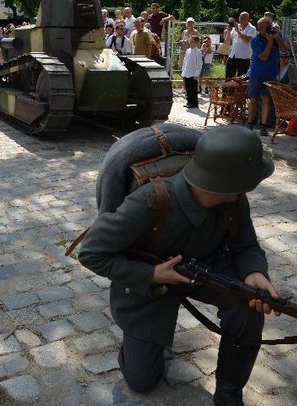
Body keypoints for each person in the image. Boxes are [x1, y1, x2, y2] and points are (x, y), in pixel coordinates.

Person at [78, 125, 278, 403]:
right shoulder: (150, 201)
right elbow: (90, 252)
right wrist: (150, 274)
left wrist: (254, 272)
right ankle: (141, 342)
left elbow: (245, 244)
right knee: (142, 381)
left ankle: (229, 392)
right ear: (230, 182)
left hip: (205, 266)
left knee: (248, 304)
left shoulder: (233, 199)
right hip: (152, 279)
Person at [246, 17, 288, 136]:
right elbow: (263, 57)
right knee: (253, 99)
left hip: (270, 74)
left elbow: (284, 49)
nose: (269, 29)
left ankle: (263, 126)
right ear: (259, 29)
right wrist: (270, 42)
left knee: (266, 100)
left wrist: (277, 38)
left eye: (270, 26)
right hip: (256, 74)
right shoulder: (255, 40)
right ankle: (250, 123)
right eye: (266, 27)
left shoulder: (275, 38)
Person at [226, 12, 256, 79]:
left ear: (248, 19)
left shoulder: (252, 28)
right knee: (228, 78)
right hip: (233, 55)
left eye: (243, 18)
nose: (240, 19)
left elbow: (246, 40)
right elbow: (228, 42)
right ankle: (227, 89)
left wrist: (238, 31)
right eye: (240, 17)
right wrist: (228, 31)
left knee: (242, 79)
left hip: (244, 57)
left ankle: (240, 90)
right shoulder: (236, 28)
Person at [181, 35, 202, 109]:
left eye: (192, 41)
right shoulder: (188, 50)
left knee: (193, 89)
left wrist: (197, 74)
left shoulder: (198, 52)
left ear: (196, 42)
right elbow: (185, 61)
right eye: (190, 41)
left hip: (193, 74)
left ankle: (194, 103)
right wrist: (183, 71)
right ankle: (189, 101)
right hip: (187, 72)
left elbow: (199, 64)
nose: (191, 43)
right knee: (188, 89)